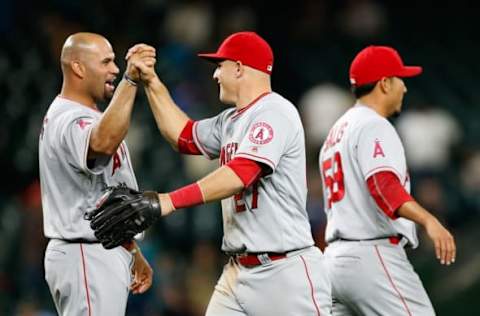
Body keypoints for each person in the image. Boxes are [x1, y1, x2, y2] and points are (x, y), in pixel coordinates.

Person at [127, 31, 332, 315]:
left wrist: (169, 200)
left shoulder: (275, 111)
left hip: (284, 272)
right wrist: (151, 81)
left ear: (238, 67)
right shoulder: (231, 120)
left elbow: (241, 174)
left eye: (219, 66)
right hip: (238, 271)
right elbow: (182, 136)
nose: (215, 75)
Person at [319, 45, 456, 315]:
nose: (404, 88)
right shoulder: (373, 124)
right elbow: (383, 188)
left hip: (334, 263)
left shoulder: (335, 132)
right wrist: (429, 220)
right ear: (384, 83)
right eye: (400, 79)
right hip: (371, 256)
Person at [39, 32, 155, 316]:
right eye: (106, 62)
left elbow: (103, 194)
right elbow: (103, 141)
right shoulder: (69, 117)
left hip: (94, 252)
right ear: (78, 68)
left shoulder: (85, 115)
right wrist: (129, 82)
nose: (115, 69)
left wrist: (131, 249)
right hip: (84, 253)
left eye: (116, 62)